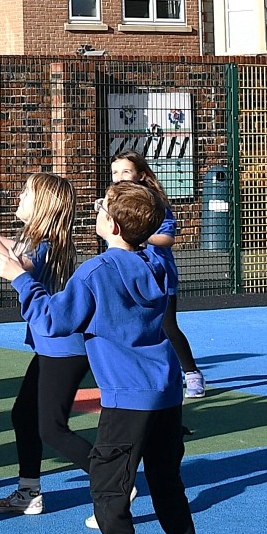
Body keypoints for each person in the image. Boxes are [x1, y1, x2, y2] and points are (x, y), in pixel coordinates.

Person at [0, 181, 201, 534]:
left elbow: (51, 321)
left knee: (109, 494)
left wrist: (21, 280)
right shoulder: (156, 264)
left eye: (102, 209)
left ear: (114, 226)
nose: (96, 212)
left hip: (127, 401)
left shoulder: (95, 272)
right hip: (166, 394)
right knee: (168, 485)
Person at [0, 174, 93, 516]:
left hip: (64, 351)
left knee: (52, 428)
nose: (18, 195)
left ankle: (112, 478)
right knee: (24, 415)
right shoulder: (44, 240)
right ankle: (28, 491)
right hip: (52, 348)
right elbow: (14, 250)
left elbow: (17, 264)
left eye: (26, 192)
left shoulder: (48, 244)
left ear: (44, 205)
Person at [112, 151, 205, 398]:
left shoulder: (155, 203)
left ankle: (192, 373)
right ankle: (144, 375)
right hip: (128, 273)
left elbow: (167, 238)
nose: (119, 177)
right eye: (115, 172)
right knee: (133, 327)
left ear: (141, 175)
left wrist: (139, 235)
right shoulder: (114, 203)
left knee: (167, 326)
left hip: (157, 274)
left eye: (125, 171)